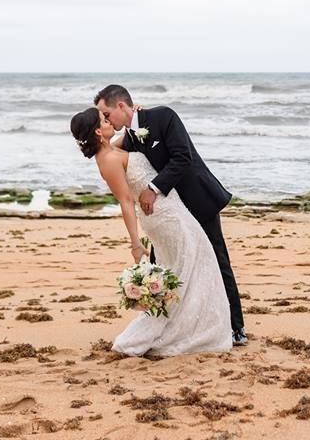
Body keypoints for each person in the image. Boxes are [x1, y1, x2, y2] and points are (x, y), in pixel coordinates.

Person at [94, 84, 247, 346]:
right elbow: (107, 148)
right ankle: (168, 328)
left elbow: (182, 157)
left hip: (197, 199)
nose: (106, 119)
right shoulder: (130, 136)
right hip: (169, 215)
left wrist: (153, 189)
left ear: (121, 105)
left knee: (217, 261)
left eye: (106, 114)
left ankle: (236, 328)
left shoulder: (163, 116)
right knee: (163, 270)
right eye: (102, 118)